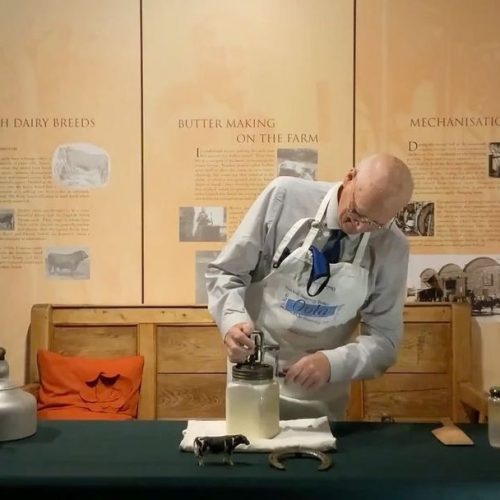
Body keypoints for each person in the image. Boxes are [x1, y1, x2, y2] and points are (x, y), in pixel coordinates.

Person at [206, 153, 414, 420]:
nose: (358, 227)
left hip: (322, 395)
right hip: (253, 376)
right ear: (349, 177)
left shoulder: (392, 246)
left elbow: (385, 340)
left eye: (374, 224)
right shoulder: (284, 197)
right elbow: (226, 272)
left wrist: (333, 364)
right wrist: (232, 322)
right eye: (355, 213)